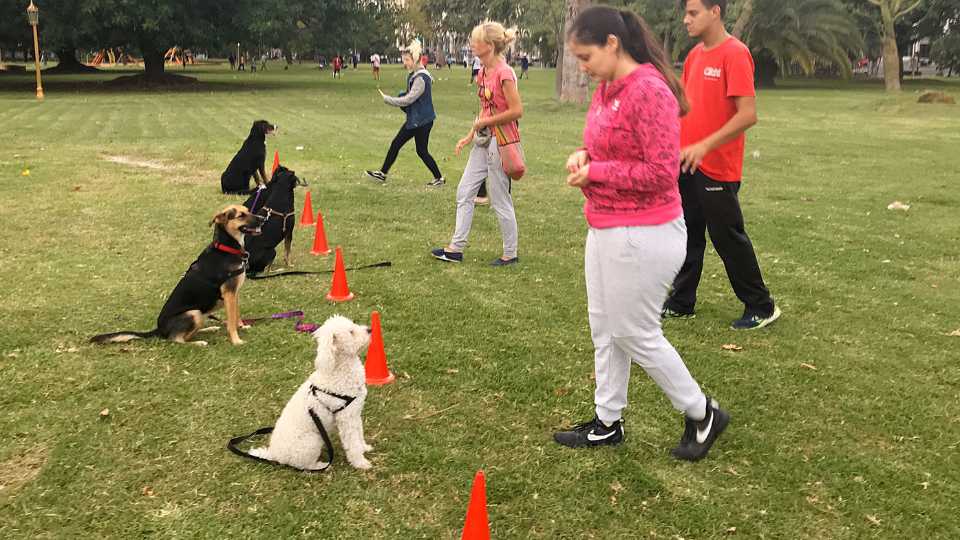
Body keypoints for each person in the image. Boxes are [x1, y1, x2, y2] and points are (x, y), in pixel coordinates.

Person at [552, 5, 729, 461]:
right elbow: (601, 145)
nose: (584, 68)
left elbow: (660, 171)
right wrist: (582, 156)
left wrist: (597, 172)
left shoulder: (649, 90)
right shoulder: (609, 87)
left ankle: (701, 411)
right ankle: (607, 422)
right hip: (606, 226)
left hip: (645, 231)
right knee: (605, 329)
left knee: (633, 331)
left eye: (587, 57)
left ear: (613, 44)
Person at [661, 0, 780, 330]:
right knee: (687, 233)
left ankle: (761, 305)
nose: (686, 20)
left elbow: (748, 114)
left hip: (717, 165)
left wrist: (705, 145)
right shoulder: (696, 55)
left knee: (727, 236)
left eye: (693, 13)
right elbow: (685, 106)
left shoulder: (735, 53)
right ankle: (681, 301)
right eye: (685, 13)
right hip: (687, 162)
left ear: (715, 12)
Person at [431, 22, 522, 267]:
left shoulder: (505, 73)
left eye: (475, 41)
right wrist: (469, 134)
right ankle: (455, 249)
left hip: (501, 142)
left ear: (489, 46)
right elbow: (484, 107)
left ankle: (510, 254)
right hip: (483, 140)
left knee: (499, 198)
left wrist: (487, 121)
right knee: (464, 191)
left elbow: (516, 111)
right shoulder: (482, 72)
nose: (471, 45)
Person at [364, 39, 445, 188]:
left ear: (415, 59)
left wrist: (390, 100)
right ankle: (382, 173)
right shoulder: (416, 75)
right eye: (404, 60)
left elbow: (409, 99)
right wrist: (402, 94)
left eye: (407, 60)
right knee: (399, 145)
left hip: (421, 122)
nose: (405, 63)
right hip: (416, 120)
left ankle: (439, 178)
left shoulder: (421, 78)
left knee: (420, 151)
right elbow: (409, 96)